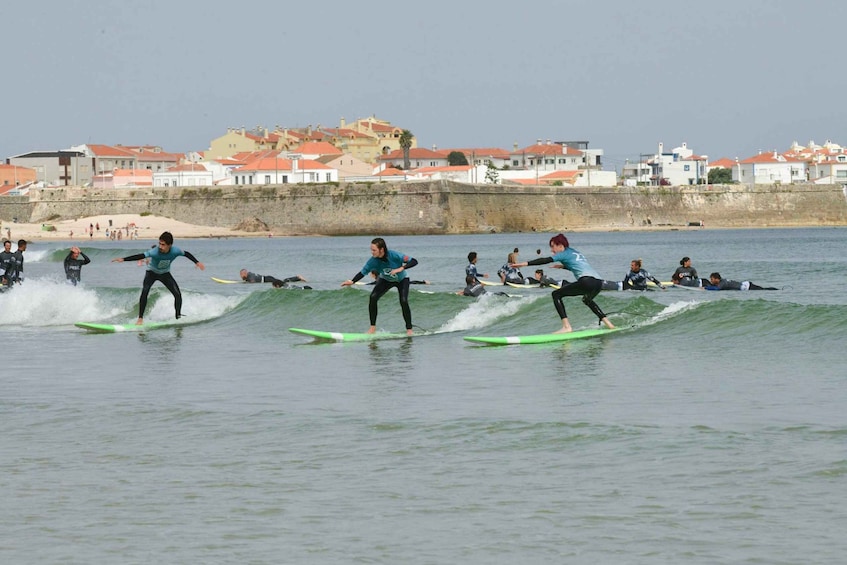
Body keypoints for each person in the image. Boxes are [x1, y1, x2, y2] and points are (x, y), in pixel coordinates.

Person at [511, 233, 614, 333]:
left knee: (556, 294)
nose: (552, 250)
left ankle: (566, 327)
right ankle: (609, 324)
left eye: (553, 247)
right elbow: (578, 266)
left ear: (560, 246)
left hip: (586, 281)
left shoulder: (563, 253)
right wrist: (564, 266)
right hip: (598, 283)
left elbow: (545, 260)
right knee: (587, 300)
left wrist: (525, 264)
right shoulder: (574, 252)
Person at [111, 231, 205, 325]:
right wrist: (123, 259)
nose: (160, 246)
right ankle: (140, 319)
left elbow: (186, 254)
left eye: (163, 245)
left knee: (177, 294)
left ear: (170, 245)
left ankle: (178, 316)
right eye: (159, 243)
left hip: (165, 274)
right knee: (145, 291)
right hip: (151, 273)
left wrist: (197, 262)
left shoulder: (176, 251)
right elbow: (141, 255)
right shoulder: (154, 251)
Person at [341, 237, 418, 335]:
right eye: (371, 250)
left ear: (381, 249)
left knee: (403, 301)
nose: (372, 252)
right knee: (373, 297)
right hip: (386, 280)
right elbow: (363, 272)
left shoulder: (394, 255)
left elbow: (414, 261)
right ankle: (372, 329)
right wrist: (352, 281)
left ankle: (409, 330)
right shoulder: (373, 261)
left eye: (374, 250)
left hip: (402, 279)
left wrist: (401, 268)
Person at [239, 269, 310, 288]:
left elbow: (252, 282)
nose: (240, 276)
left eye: (241, 275)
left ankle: (297, 278)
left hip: (268, 279)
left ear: (244, 273)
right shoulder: (249, 274)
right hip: (268, 278)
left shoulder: (250, 276)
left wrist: (245, 283)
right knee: (281, 282)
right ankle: (297, 278)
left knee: (282, 282)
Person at [704, 272, 778, 291]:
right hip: (747, 284)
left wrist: (706, 288)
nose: (711, 280)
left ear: (717, 279)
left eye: (712, 279)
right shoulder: (722, 281)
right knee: (763, 289)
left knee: (764, 290)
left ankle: (777, 290)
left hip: (747, 287)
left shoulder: (722, 283)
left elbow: (717, 289)